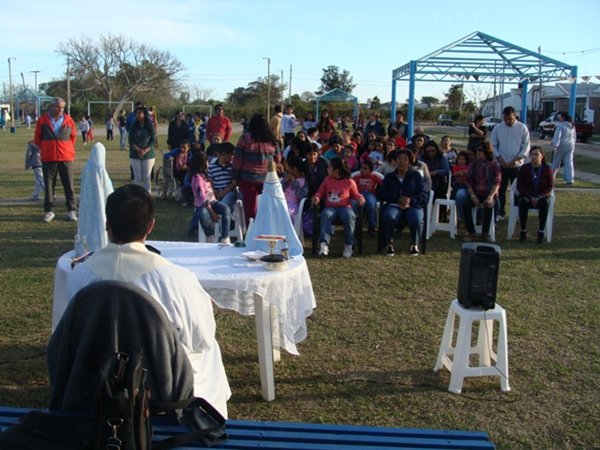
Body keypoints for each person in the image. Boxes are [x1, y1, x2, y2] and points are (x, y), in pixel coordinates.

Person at [66, 184, 231, 418]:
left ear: (107, 224)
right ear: (151, 225)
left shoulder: (80, 275)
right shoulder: (176, 279)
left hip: (96, 382)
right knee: (208, 351)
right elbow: (201, 338)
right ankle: (208, 417)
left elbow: (70, 337)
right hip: (162, 391)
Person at [34, 97, 78, 223]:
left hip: (65, 157)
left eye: (62, 108)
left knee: (68, 184)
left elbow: (73, 137)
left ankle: (71, 209)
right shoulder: (42, 120)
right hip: (49, 157)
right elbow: (37, 138)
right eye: (58, 107)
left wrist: (67, 149)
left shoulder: (69, 120)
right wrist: (46, 149)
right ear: (52, 106)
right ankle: (49, 210)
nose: (60, 110)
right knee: (49, 185)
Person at [311, 158, 365, 258]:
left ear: (336, 170)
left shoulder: (349, 181)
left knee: (349, 216)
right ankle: (324, 244)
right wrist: (317, 197)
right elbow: (320, 192)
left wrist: (360, 197)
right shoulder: (327, 180)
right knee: (326, 215)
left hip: (345, 207)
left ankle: (349, 245)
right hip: (330, 207)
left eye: (329, 167)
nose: (327, 169)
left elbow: (355, 194)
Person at [232, 113, 279, 226]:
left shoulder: (245, 138)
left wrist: (235, 176)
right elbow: (278, 159)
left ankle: (252, 230)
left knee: (250, 207)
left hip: (248, 178)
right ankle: (266, 228)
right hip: (268, 179)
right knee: (267, 206)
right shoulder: (272, 140)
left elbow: (238, 160)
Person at [380, 149, 428, 257]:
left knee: (416, 218)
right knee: (389, 216)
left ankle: (414, 244)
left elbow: (423, 193)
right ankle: (389, 244)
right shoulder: (389, 176)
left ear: (409, 162)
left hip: (412, 205)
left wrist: (410, 200)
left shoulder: (416, 176)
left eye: (405, 159)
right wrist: (398, 199)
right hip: (394, 204)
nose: (402, 161)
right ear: (395, 161)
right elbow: (383, 193)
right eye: (399, 159)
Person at [491, 106, 530, 219]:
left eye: (510, 119)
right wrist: (500, 160)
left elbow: (526, 146)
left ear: (515, 116)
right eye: (506, 119)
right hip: (501, 164)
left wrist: (516, 159)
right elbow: (494, 145)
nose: (508, 121)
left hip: (517, 165)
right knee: (500, 189)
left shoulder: (522, 128)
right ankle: (500, 212)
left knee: (518, 190)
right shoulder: (498, 128)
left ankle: (517, 213)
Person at [75, 142, 114, 256]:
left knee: (89, 224)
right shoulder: (101, 171)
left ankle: (88, 246)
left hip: (88, 205)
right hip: (100, 205)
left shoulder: (88, 169)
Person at [188, 152, 232, 243]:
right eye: (206, 161)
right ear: (202, 164)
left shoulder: (204, 175)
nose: (208, 163)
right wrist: (212, 213)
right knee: (203, 214)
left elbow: (209, 190)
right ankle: (209, 235)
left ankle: (225, 236)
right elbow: (203, 198)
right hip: (203, 205)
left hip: (212, 201)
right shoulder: (197, 178)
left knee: (226, 209)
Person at [462, 143, 501, 243]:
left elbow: (497, 182)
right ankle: (471, 233)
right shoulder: (473, 164)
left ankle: (485, 233)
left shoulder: (494, 164)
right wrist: (473, 196)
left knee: (489, 205)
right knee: (466, 205)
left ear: (487, 152)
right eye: (477, 150)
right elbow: (468, 182)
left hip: (489, 192)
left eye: (481, 150)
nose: (478, 152)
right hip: (476, 193)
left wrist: (490, 196)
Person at [516, 146, 554, 243]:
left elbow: (549, 187)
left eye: (536, 154)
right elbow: (520, 186)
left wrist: (539, 197)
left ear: (542, 156)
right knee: (523, 202)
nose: (533, 157)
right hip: (527, 196)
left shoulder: (547, 169)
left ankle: (541, 232)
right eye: (532, 154)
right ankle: (523, 230)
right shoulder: (524, 168)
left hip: (541, 197)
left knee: (544, 203)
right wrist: (530, 197)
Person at [128, 105, 156, 193]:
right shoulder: (133, 125)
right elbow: (130, 140)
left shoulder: (150, 125)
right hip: (135, 154)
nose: (138, 115)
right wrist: (138, 149)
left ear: (144, 114)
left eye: (140, 113)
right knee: (137, 177)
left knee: (146, 177)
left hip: (148, 155)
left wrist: (145, 150)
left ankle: (147, 195)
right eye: (136, 113)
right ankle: (137, 196)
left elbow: (153, 140)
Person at [352, 159, 382, 236]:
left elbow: (385, 183)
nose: (362, 170)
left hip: (370, 194)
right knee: (354, 204)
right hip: (358, 194)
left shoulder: (374, 176)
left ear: (370, 171)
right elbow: (349, 185)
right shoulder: (356, 176)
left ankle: (372, 226)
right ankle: (355, 226)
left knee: (371, 204)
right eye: (361, 168)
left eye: (365, 169)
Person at [208, 142, 238, 212]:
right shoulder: (211, 167)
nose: (232, 157)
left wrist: (222, 193)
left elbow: (234, 184)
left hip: (229, 192)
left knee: (223, 206)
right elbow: (210, 182)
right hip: (216, 193)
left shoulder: (233, 167)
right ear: (223, 154)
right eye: (230, 155)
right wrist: (214, 191)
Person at [281, 155, 308, 224]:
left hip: (293, 205)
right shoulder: (287, 176)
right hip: (282, 201)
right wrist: (285, 181)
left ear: (294, 169)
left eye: (288, 166)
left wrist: (294, 181)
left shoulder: (304, 181)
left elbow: (301, 195)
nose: (286, 168)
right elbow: (280, 189)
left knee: (286, 213)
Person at [551, 112, 576, 185]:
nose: (559, 119)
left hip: (561, 145)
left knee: (556, 162)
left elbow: (557, 136)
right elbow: (574, 137)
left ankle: (551, 177)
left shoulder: (560, 125)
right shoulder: (572, 126)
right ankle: (569, 179)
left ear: (563, 118)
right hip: (571, 145)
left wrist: (554, 145)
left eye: (560, 117)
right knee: (569, 162)